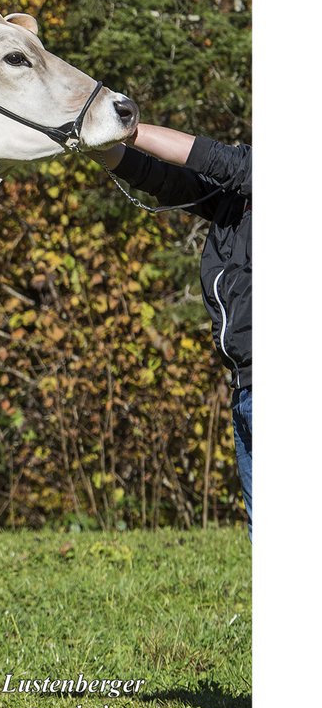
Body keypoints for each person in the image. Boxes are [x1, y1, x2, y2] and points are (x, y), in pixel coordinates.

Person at [94, 124, 252, 536]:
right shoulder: (238, 205)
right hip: (246, 386)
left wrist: (121, 125)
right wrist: (97, 146)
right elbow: (168, 180)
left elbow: (213, 159)